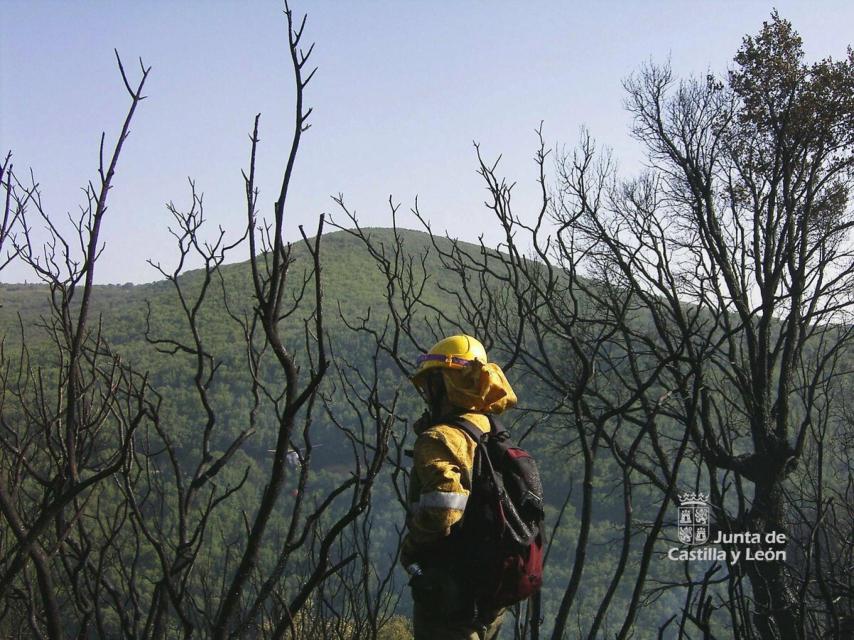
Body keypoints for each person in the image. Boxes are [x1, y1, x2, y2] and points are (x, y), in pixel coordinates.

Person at [401, 334, 518, 640]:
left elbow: (443, 510)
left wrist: (411, 548)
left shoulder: (439, 438)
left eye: (430, 384)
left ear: (445, 385)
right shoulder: (490, 430)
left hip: (449, 592)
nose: (427, 393)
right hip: (490, 592)